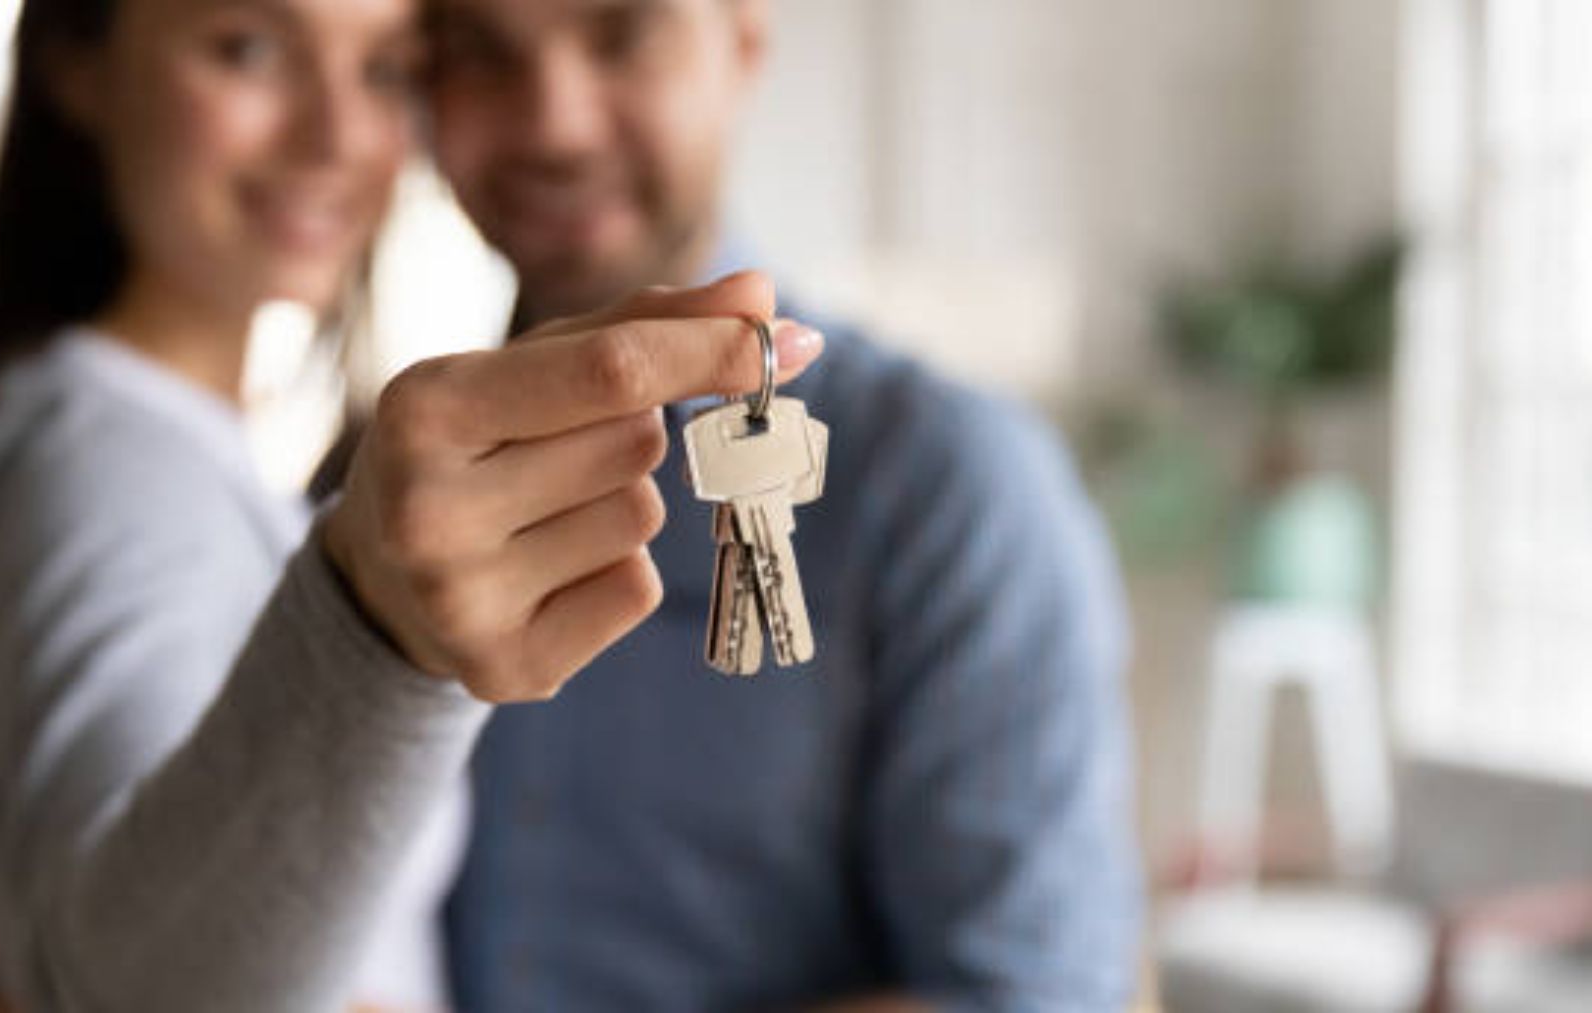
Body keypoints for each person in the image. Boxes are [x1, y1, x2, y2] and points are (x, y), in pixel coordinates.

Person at [0, 0, 821, 1008]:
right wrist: (375, 638)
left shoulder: (147, 444)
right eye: (252, 48)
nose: (340, 137)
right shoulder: (106, 470)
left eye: (385, 70)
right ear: (75, 61)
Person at [422, 0, 1143, 1008]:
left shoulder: (947, 488)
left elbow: (1031, 991)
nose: (555, 124)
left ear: (744, 43)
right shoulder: (379, 490)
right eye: (479, 54)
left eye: (622, 34)